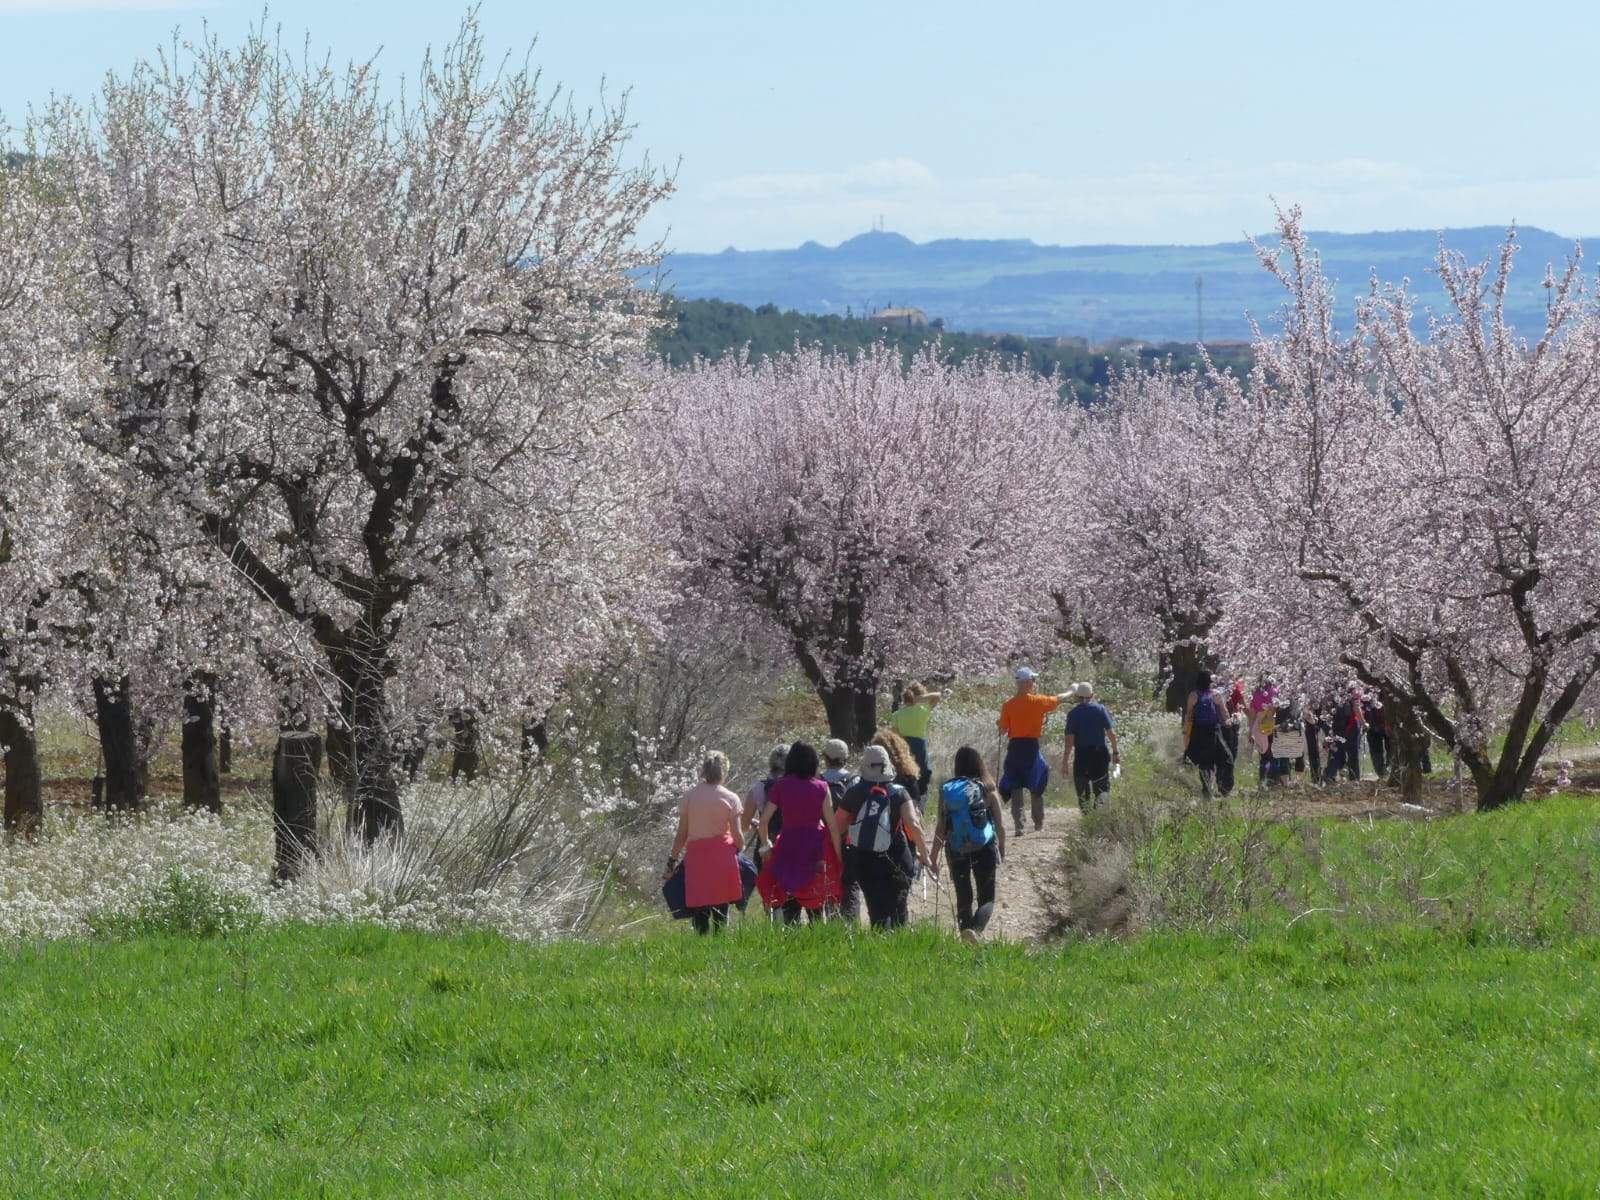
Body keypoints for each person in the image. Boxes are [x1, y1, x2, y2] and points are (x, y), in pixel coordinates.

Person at [836, 745, 929, 929]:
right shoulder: (899, 792)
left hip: (864, 859)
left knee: (877, 910)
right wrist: (924, 854)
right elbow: (914, 824)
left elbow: (839, 826)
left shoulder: (854, 792)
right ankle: (899, 947)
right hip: (897, 857)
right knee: (899, 909)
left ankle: (880, 946)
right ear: (887, 767)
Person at [755, 741, 845, 923]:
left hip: (788, 845)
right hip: (816, 847)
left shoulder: (781, 786)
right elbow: (833, 826)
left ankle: (792, 943)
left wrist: (766, 847)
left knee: (789, 897)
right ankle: (817, 942)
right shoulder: (821, 787)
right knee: (816, 901)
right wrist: (838, 854)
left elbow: (763, 822)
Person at [931, 745, 1005, 943]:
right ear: (979, 764)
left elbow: (941, 826)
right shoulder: (987, 787)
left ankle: (966, 936)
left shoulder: (948, 790)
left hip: (955, 848)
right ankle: (975, 931)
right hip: (984, 846)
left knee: (963, 895)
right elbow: (1000, 825)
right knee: (987, 897)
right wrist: (1002, 850)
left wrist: (933, 856)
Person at [664, 752, 745, 934]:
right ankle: (720, 946)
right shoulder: (731, 798)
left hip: (697, 859)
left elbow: (682, 834)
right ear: (723, 771)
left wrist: (672, 860)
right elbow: (738, 837)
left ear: (703, 770)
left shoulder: (689, 797)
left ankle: (701, 948)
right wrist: (740, 848)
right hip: (723, 858)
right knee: (721, 910)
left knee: (699, 909)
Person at [997, 667, 1072, 836]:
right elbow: (1058, 699)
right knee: (1037, 781)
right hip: (1031, 747)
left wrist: (1001, 723)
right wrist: (1071, 691)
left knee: (1015, 785)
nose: (1034, 684)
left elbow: (1002, 730)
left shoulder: (1008, 705)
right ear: (1028, 682)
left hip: (1015, 747)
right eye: (1033, 681)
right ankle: (1038, 824)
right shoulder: (1038, 701)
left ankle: (1019, 826)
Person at [1061, 681, 1119, 813]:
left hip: (1082, 755)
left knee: (1082, 791)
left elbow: (1069, 740)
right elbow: (1112, 734)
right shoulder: (1100, 709)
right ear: (1092, 695)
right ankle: (1100, 819)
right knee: (1102, 789)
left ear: (1076, 697)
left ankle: (1087, 818)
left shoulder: (1073, 714)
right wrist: (1115, 752)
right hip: (1099, 754)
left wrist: (1065, 761)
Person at [821, 738, 860, 920]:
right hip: (849, 840)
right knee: (850, 884)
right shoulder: (854, 780)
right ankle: (852, 923)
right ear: (846, 757)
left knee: (828, 883)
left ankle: (832, 923)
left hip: (824, 841)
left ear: (825, 758)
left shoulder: (818, 782)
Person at [1183, 669, 1234, 799]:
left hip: (1206, 732)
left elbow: (1189, 715)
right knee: (1218, 760)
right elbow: (1224, 712)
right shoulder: (1206, 695)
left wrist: (1186, 733)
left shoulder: (1200, 695)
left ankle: (1214, 789)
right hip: (1207, 732)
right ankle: (1216, 789)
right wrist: (1228, 722)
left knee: (1213, 761)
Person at [890, 681, 944, 799]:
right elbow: (938, 695)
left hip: (903, 746)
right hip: (919, 745)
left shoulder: (897, 714)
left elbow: (894, 735)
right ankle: (920, 800)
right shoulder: (923, 710)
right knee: (923, 773)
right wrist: (921, 698)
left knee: (905, 775)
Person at [743, 744, 788, 867]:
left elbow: (744, 824)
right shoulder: (797, 788)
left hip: (764, 845)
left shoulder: (758, 787)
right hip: (790, 844)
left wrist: (756, 824)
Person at [1323, 682, 1365, 783]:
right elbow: (1356, 707)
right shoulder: (1353, 691)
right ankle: (1354, 778)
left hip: (1337, 728)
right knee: (1352, 753)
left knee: (1337, 751)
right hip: (1351, 729)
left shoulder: (1331, 691)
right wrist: (1364, 723)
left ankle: (1330, 774)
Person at [1365, 694, 1390, 782]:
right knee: (1377, 751)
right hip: (1373, 726)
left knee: (1390, 749)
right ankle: (1382, 772)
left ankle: (1387, 771)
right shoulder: (1364, 693)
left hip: (1385, 724)